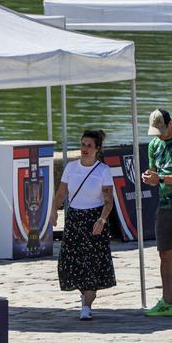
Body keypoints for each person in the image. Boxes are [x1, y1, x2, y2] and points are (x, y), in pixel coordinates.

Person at [49, 129, 115, 320]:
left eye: (89, 146)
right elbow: (61, 194)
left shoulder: (103, 170)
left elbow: (109, 200)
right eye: (83, 144)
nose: (85, 149)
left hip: (94, 219)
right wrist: (53, 211)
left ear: (97, 149)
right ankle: (84, 292)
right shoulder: (71, 168)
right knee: (68, 263)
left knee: (92, 265)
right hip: (75, 219)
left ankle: (87, 304)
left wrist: (101, 220)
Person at [142, 109, 172, 316]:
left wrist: (162, 179)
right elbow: (154, 173)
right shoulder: (154, 145)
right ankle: (167, 303)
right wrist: (149, 177)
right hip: (165, 207)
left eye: (161, 130)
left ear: (170, 123)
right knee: (165, 254)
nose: (158, 134)